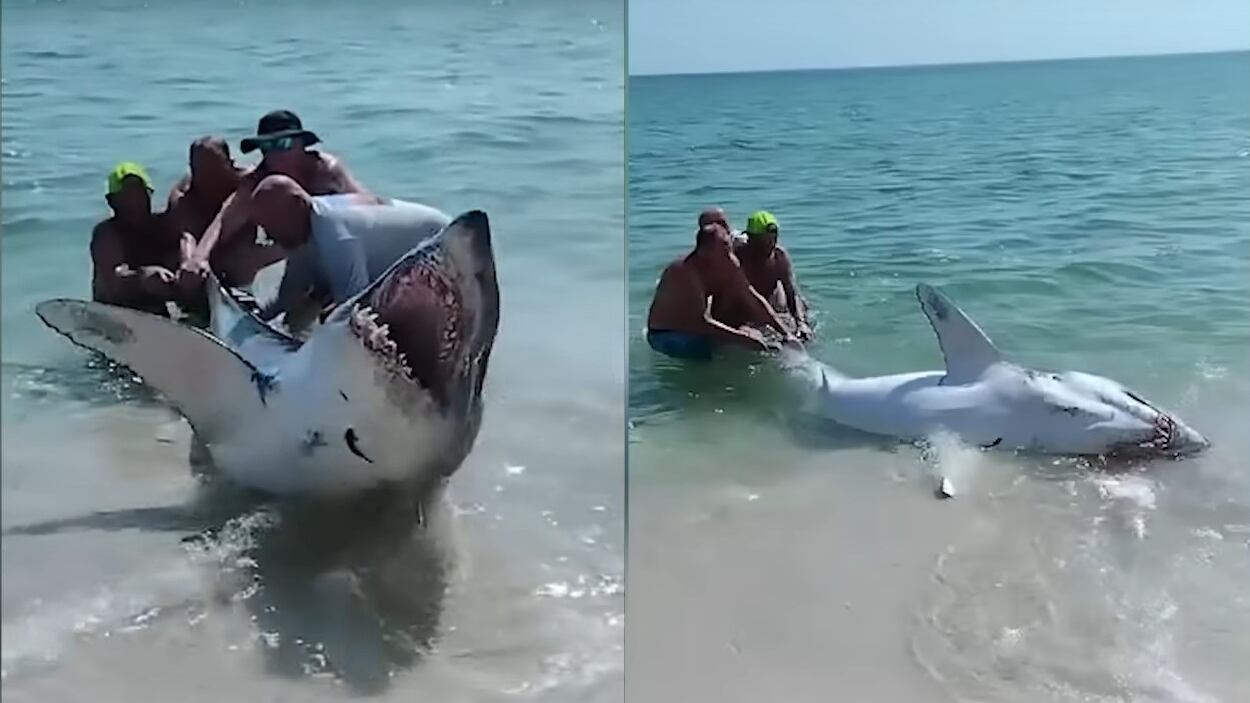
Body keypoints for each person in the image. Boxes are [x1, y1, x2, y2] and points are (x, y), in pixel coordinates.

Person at [177, 110, 369, 294]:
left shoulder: (327, 170)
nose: (274, 155)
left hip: (340, 245)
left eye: (283, 144)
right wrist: (198, 258)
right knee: (240, 260)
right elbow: (225, 219)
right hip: (290, 251)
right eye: (267, 147)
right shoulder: (258, 179)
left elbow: (368, 207)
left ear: (302, 144)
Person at [245, 174, 451, 326]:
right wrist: (252, 321)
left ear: (299, 204)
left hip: (446, 245)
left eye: (273, 226)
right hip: (405, 262)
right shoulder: (302, 228)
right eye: (266, 229)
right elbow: (289, 295)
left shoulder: (337, 237)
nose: (270, 236)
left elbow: (356, 310)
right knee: (304, 313)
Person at [645, 217, 798, 361]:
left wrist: (784, 332)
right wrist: (743, 339)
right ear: (704, 252)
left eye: (728, 246)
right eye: (723, 247)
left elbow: (751, 296)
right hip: (667, 332)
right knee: (710, 353)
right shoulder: (685, 272)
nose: (730, 252)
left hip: (699, 326)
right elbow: (700, 322)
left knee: (744, 342)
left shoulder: (728, 261)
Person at [166, 136, 283, 288]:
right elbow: (188, 236)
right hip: (203, 247)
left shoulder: (247, 182)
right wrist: (189, 263)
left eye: (215, 169)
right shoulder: (183, 197)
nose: (209, 178)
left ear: (231, 164)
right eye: (202, 171)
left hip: (240, 248)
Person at [89, 161, 190, 317]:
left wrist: (186, 265)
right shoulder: (106, 234)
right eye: (127, 197)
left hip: (156, 315)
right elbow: (113, 278)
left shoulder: (161, 225)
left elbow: (186, 237)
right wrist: (141, 278)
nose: (135, 202)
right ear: (111, 201)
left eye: (140, 194)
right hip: (113, 313)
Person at [731, 210, 812, 340]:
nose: (770, 246)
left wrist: (801, 323)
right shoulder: (738, 257)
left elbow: (791, 291)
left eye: (773, 240)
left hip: (770, 300)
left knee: (802, 309)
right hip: (746, 307)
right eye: (764, 242)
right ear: (750, 239)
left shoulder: (779, 256)